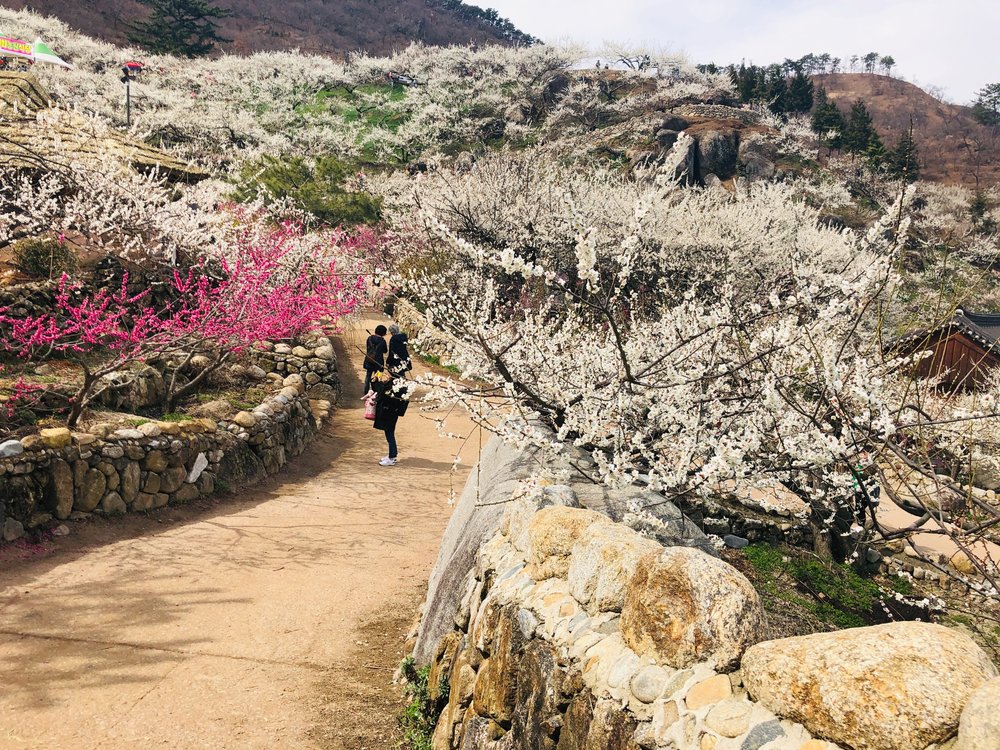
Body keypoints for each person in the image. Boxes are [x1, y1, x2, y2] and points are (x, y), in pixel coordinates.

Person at [371, 369, 409, 466]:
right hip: (392, 413)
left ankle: (392, 457)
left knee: (390, 435)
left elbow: (379, 391)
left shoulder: (391, 387)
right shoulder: (400, 386)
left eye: (388, 374)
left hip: (387, 413)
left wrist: (376, 380)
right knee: (389, 434)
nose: (386, 375)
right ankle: (392, 455)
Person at [363, 325, 388, 395]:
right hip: (378, 362)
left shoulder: (369, 338)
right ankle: (376, 391)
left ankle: (366, 391)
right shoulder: (382, 341)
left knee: (368, 376)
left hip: (369, 360)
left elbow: (368, 347)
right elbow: (385, 351)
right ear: (383, 333)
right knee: (378, 377)